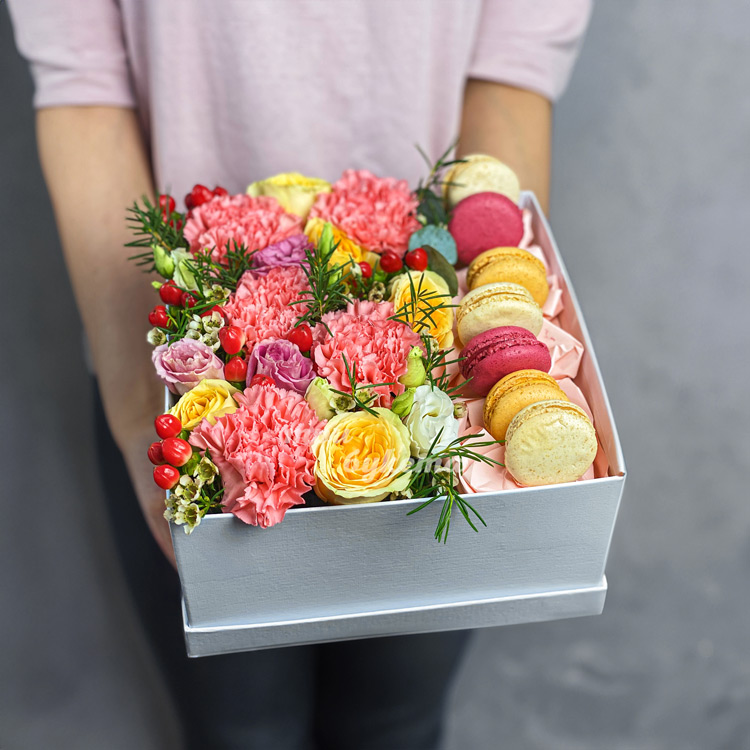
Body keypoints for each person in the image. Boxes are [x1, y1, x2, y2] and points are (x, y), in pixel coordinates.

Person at [8, 2, 592, 748]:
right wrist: (138, 413)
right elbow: (85, 93)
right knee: (239, 730)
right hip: (186, 386)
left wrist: (490, 324)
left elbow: (510, 74)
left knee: (394, 724)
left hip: (443, 391)